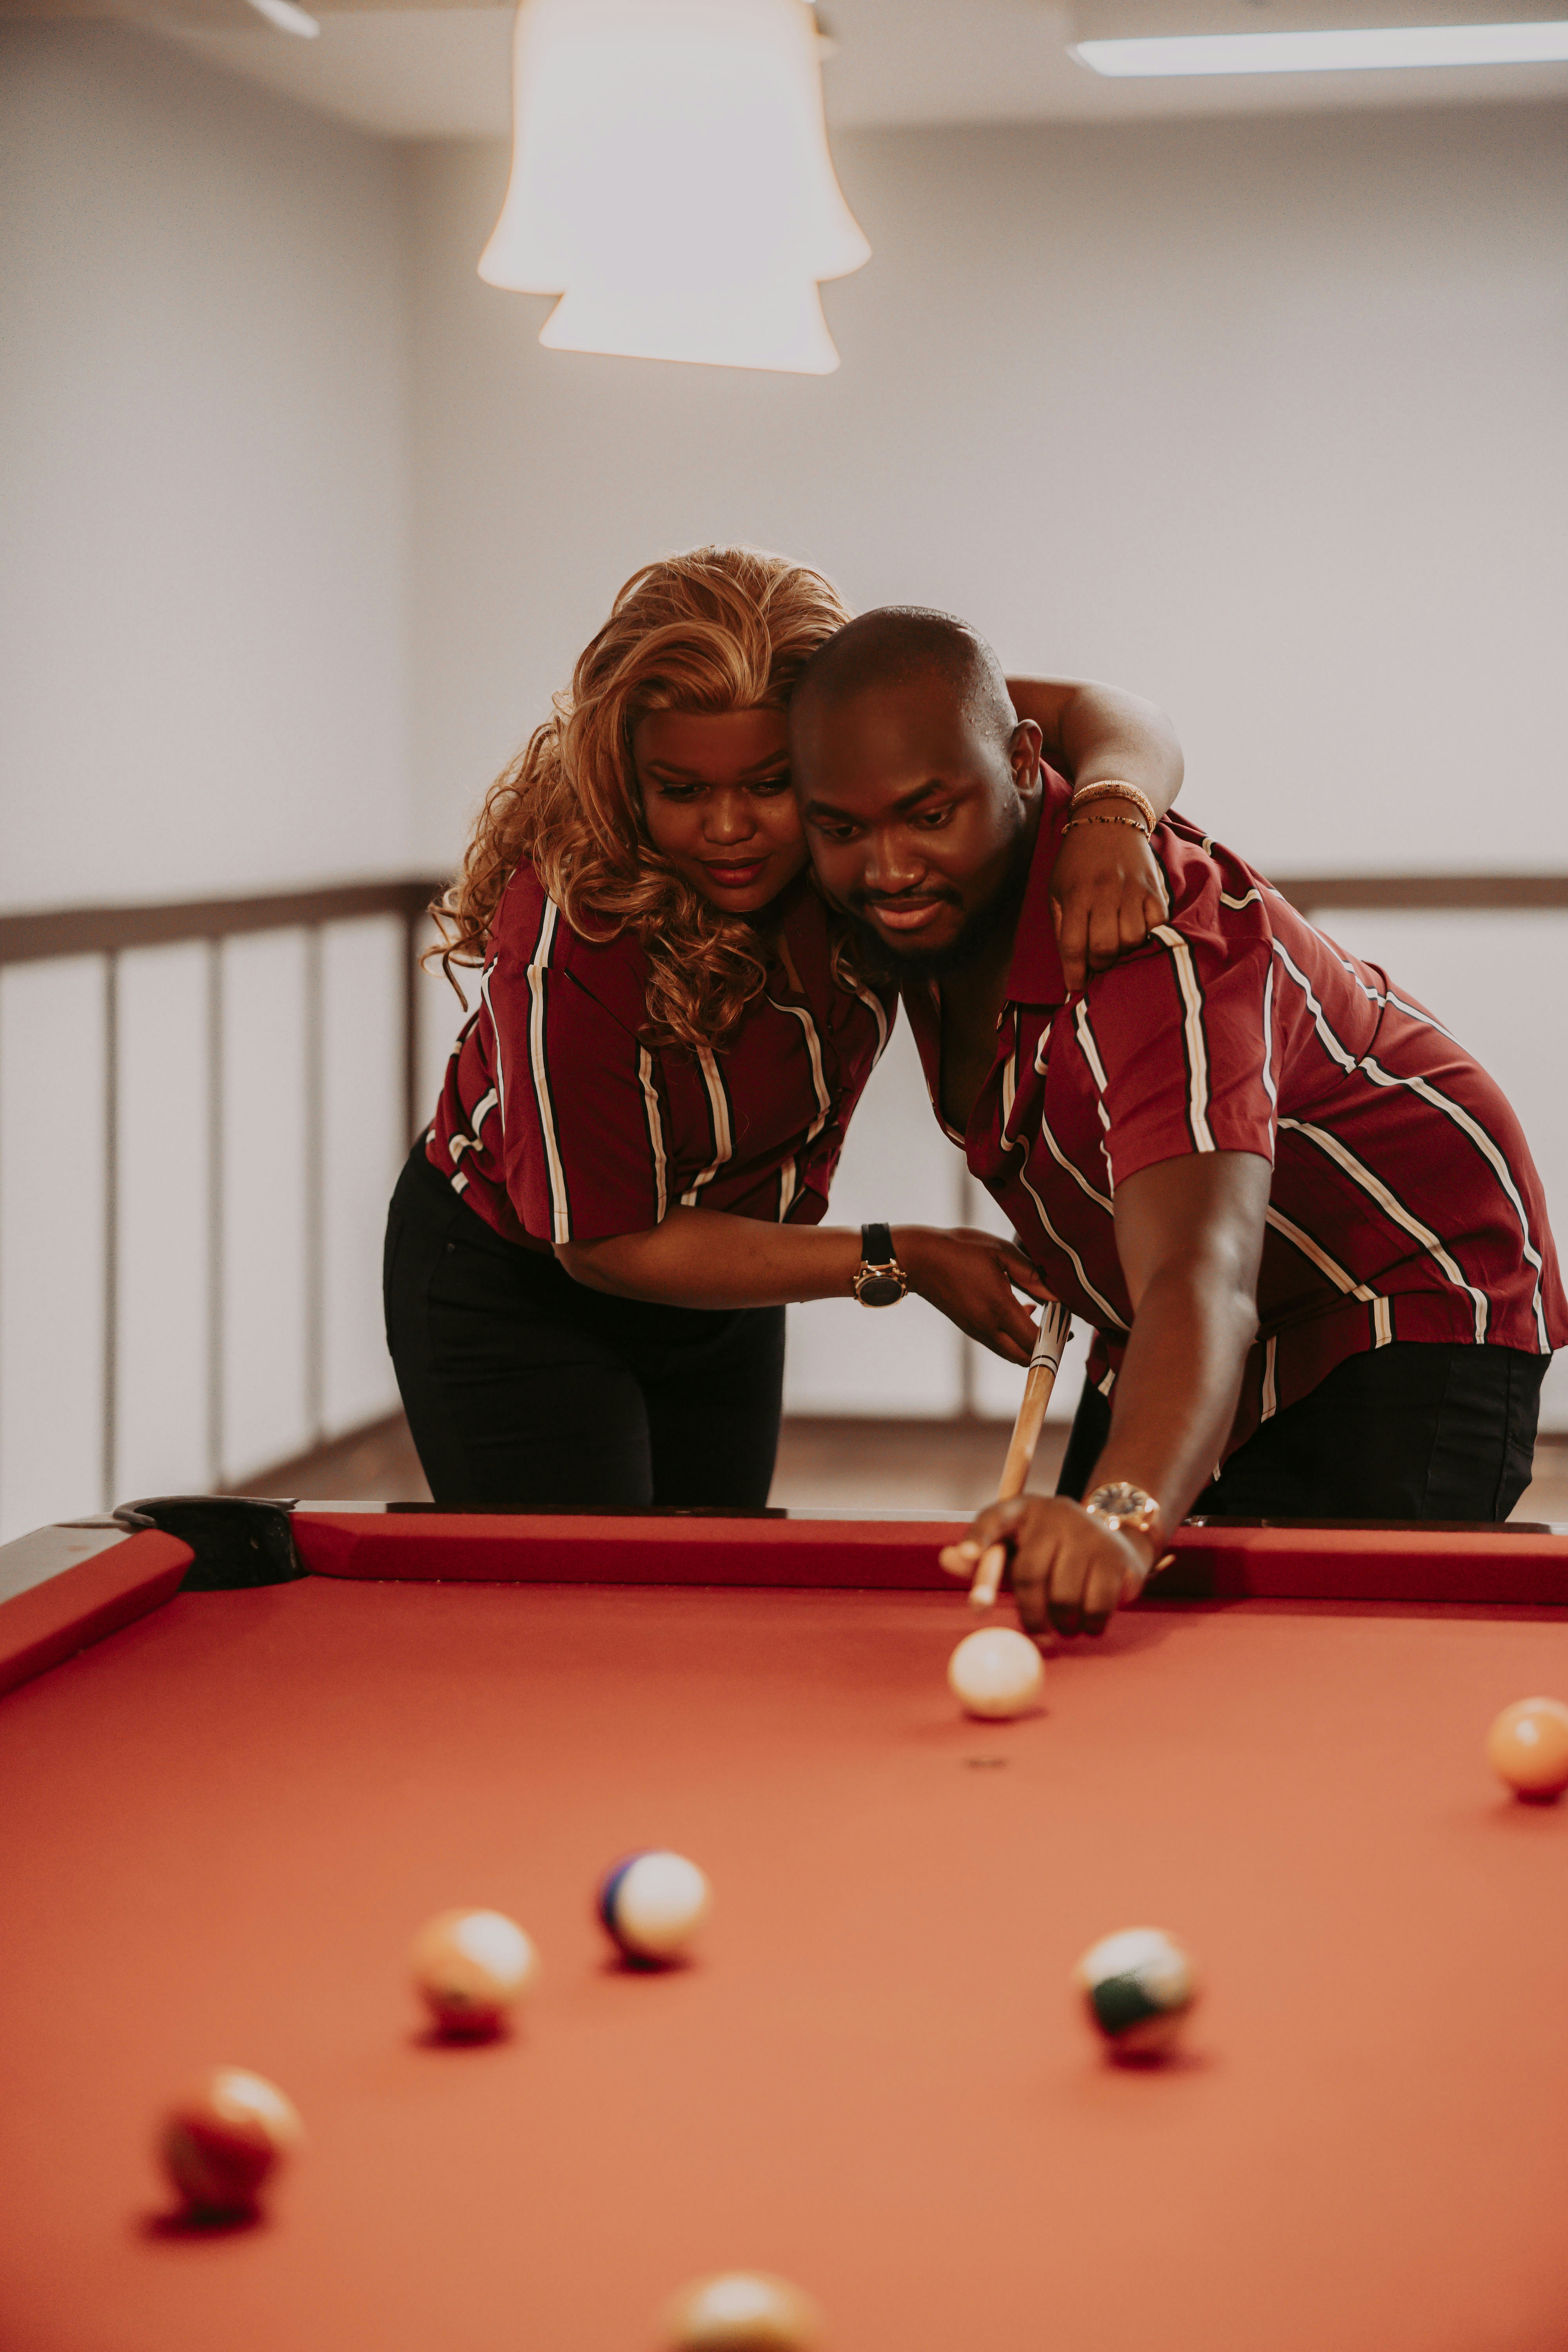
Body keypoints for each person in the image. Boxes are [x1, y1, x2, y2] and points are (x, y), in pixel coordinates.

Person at [789, 605, 1566, 1633]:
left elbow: (1202, 1276)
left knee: (1315, 1653)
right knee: (1079, 1601)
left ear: (1021, 763)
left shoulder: (1150, 945)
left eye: (928, 816)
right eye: (843, 830)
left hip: (1400, 1287)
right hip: (1177, 1308)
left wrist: (1122, 1514)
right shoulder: (903, 900)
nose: (888, 867)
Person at [383, 548, 1187, 1509]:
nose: (728, 828)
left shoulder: (867, 785)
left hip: (725, 1277)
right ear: (625, 774)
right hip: (517, 1292)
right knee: (593, 1597)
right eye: (681, 790)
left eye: (768, 784)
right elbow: (603, 1243)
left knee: (718, 1580)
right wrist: (902, 1256)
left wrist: (1112, 813)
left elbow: (1111, 713)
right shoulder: (572, 931)